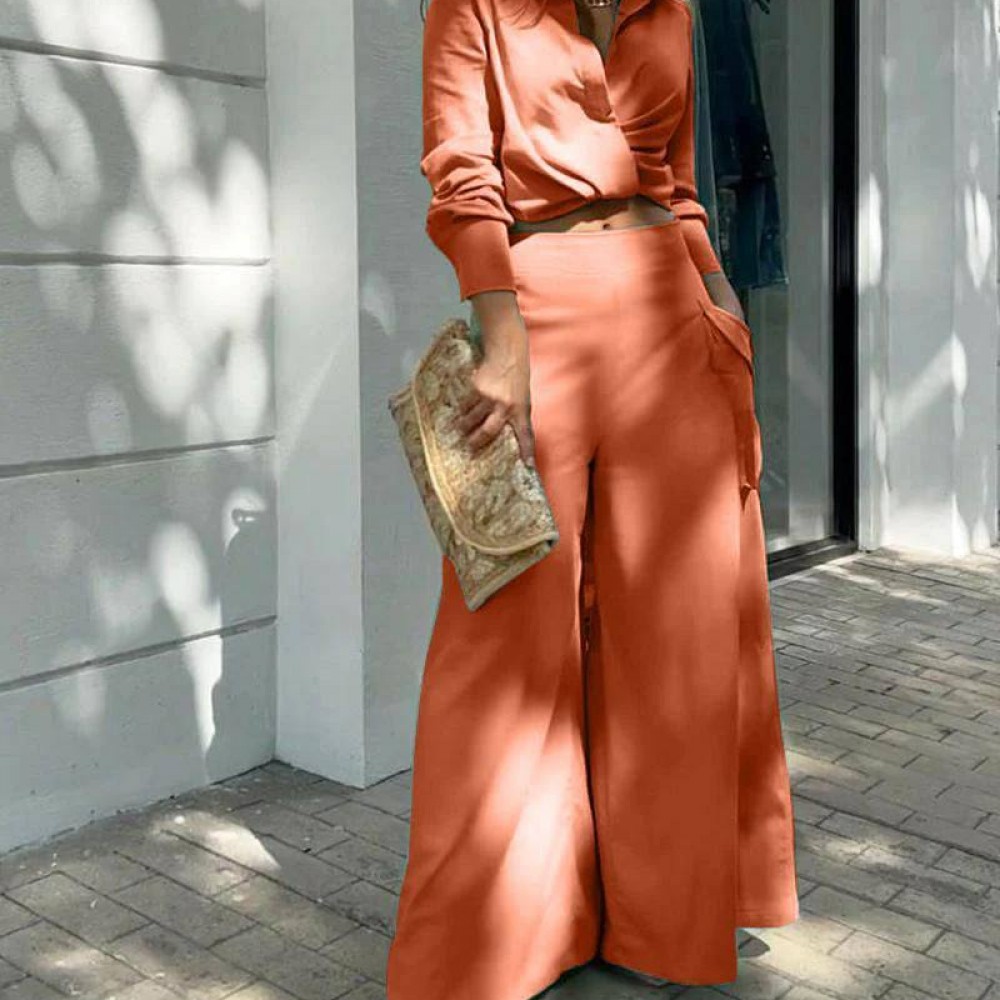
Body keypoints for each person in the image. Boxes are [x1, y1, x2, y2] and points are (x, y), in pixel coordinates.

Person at [386, 0, 800, 996]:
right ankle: (496, 946)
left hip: (672, 313)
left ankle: (663, 928)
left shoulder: (672, 8)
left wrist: (719, 297)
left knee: (674, 638)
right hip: (537, 315)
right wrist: (502, 334)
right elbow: (460, 168)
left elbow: (675, 183)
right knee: (506, 645)